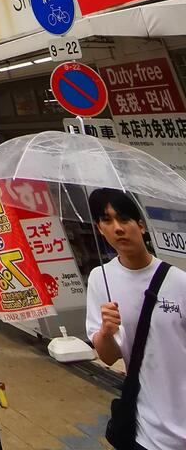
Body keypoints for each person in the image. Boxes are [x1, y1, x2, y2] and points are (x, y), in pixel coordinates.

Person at [86, 186, 186, 450]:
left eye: (124, 219)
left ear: (141, 226)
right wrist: (106, 332)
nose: (117, 228)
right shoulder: (101, 280)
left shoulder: (179, 281)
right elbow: (109, 357)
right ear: (99, 229)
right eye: (107, 220)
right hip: (144, 428)